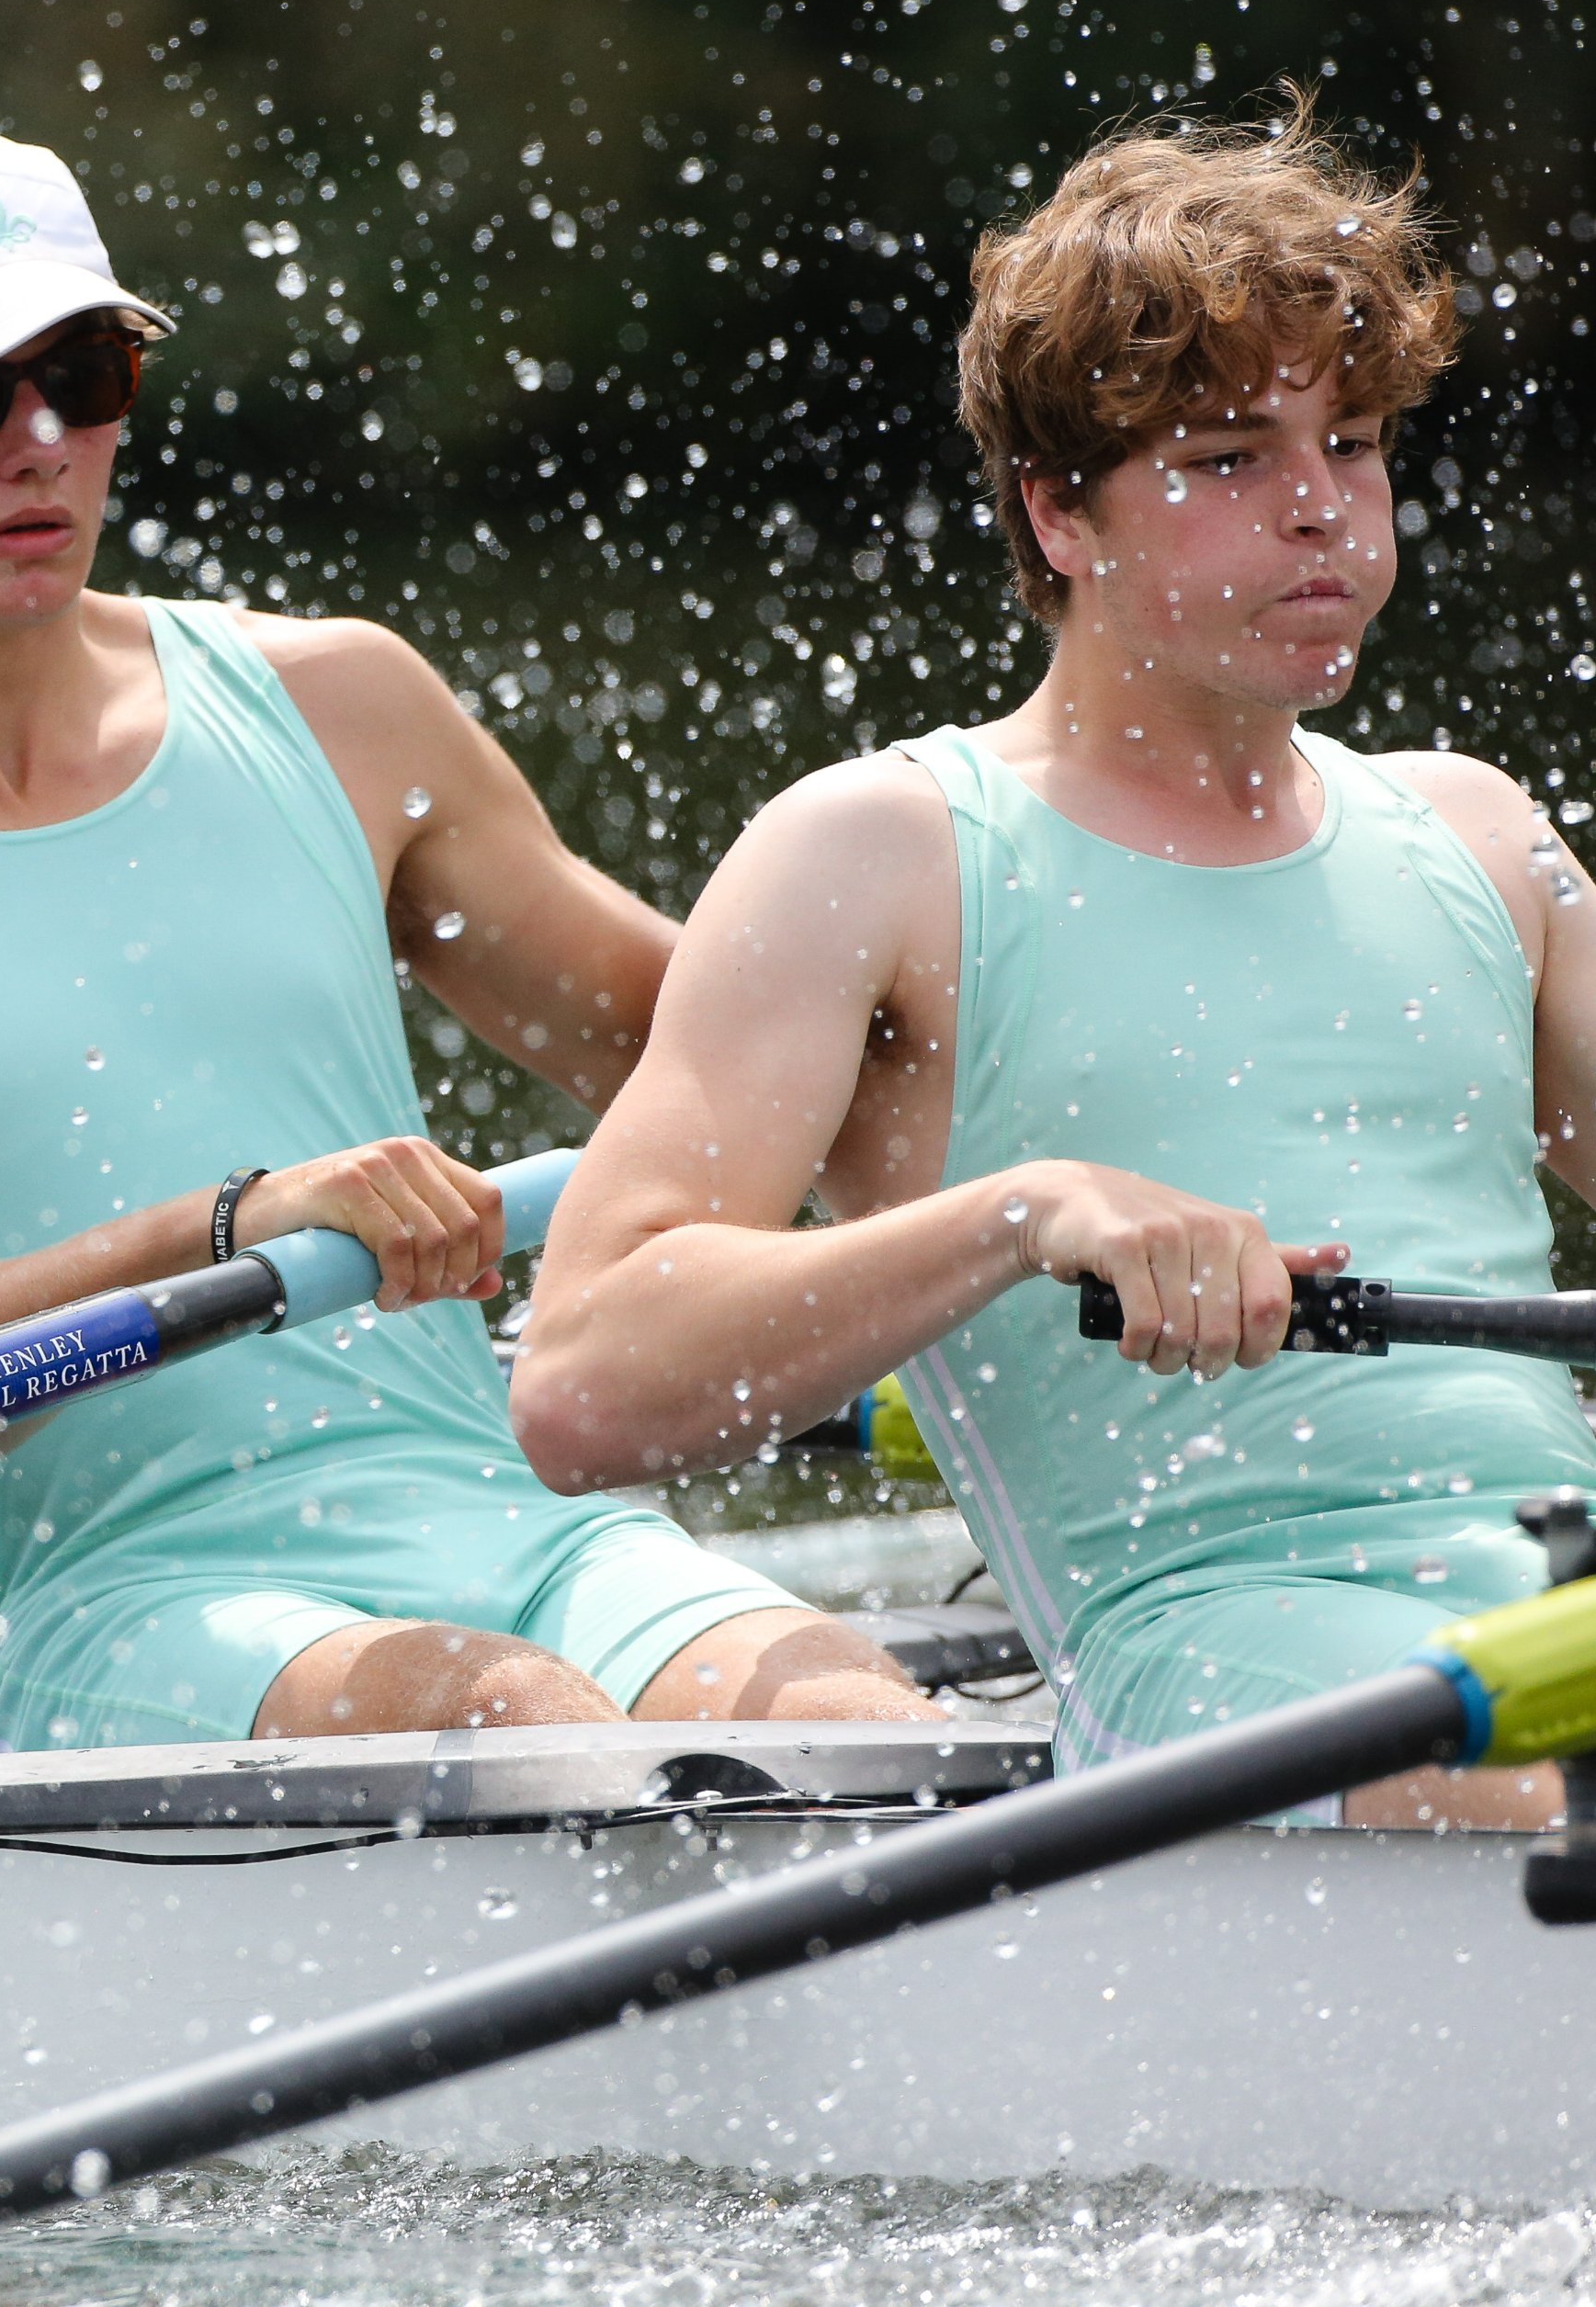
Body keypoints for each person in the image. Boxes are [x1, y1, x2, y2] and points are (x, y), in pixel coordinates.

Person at [0, 124, 934, 1757]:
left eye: (85, 371)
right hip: (127, 1601)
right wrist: (228, 1225)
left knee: (860, 1725)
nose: (43, 442)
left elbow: (725, 1065)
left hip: (513, 1515)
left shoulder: (342, 707)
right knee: (515, 1723)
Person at [509, 106, 1591, 1828]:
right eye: (1231, 458)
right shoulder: (877, 853)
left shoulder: (1478, 833)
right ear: (1059, 514)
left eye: (1359, 442)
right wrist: (1026, 1212)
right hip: (1221, 1656)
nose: (1323, 513)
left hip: (1553, 1613)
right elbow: (579, 1385)